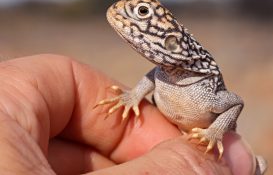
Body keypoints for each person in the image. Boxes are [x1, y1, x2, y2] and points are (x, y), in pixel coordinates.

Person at [0, 54, 257, 174]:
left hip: (214, 143)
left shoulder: (202, 85)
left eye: (143, 14)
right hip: (169, 138)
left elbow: (235, 102)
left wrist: (216, 131)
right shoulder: (162, 72)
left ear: (170, 41)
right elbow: (153, 76)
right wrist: (134, 95)